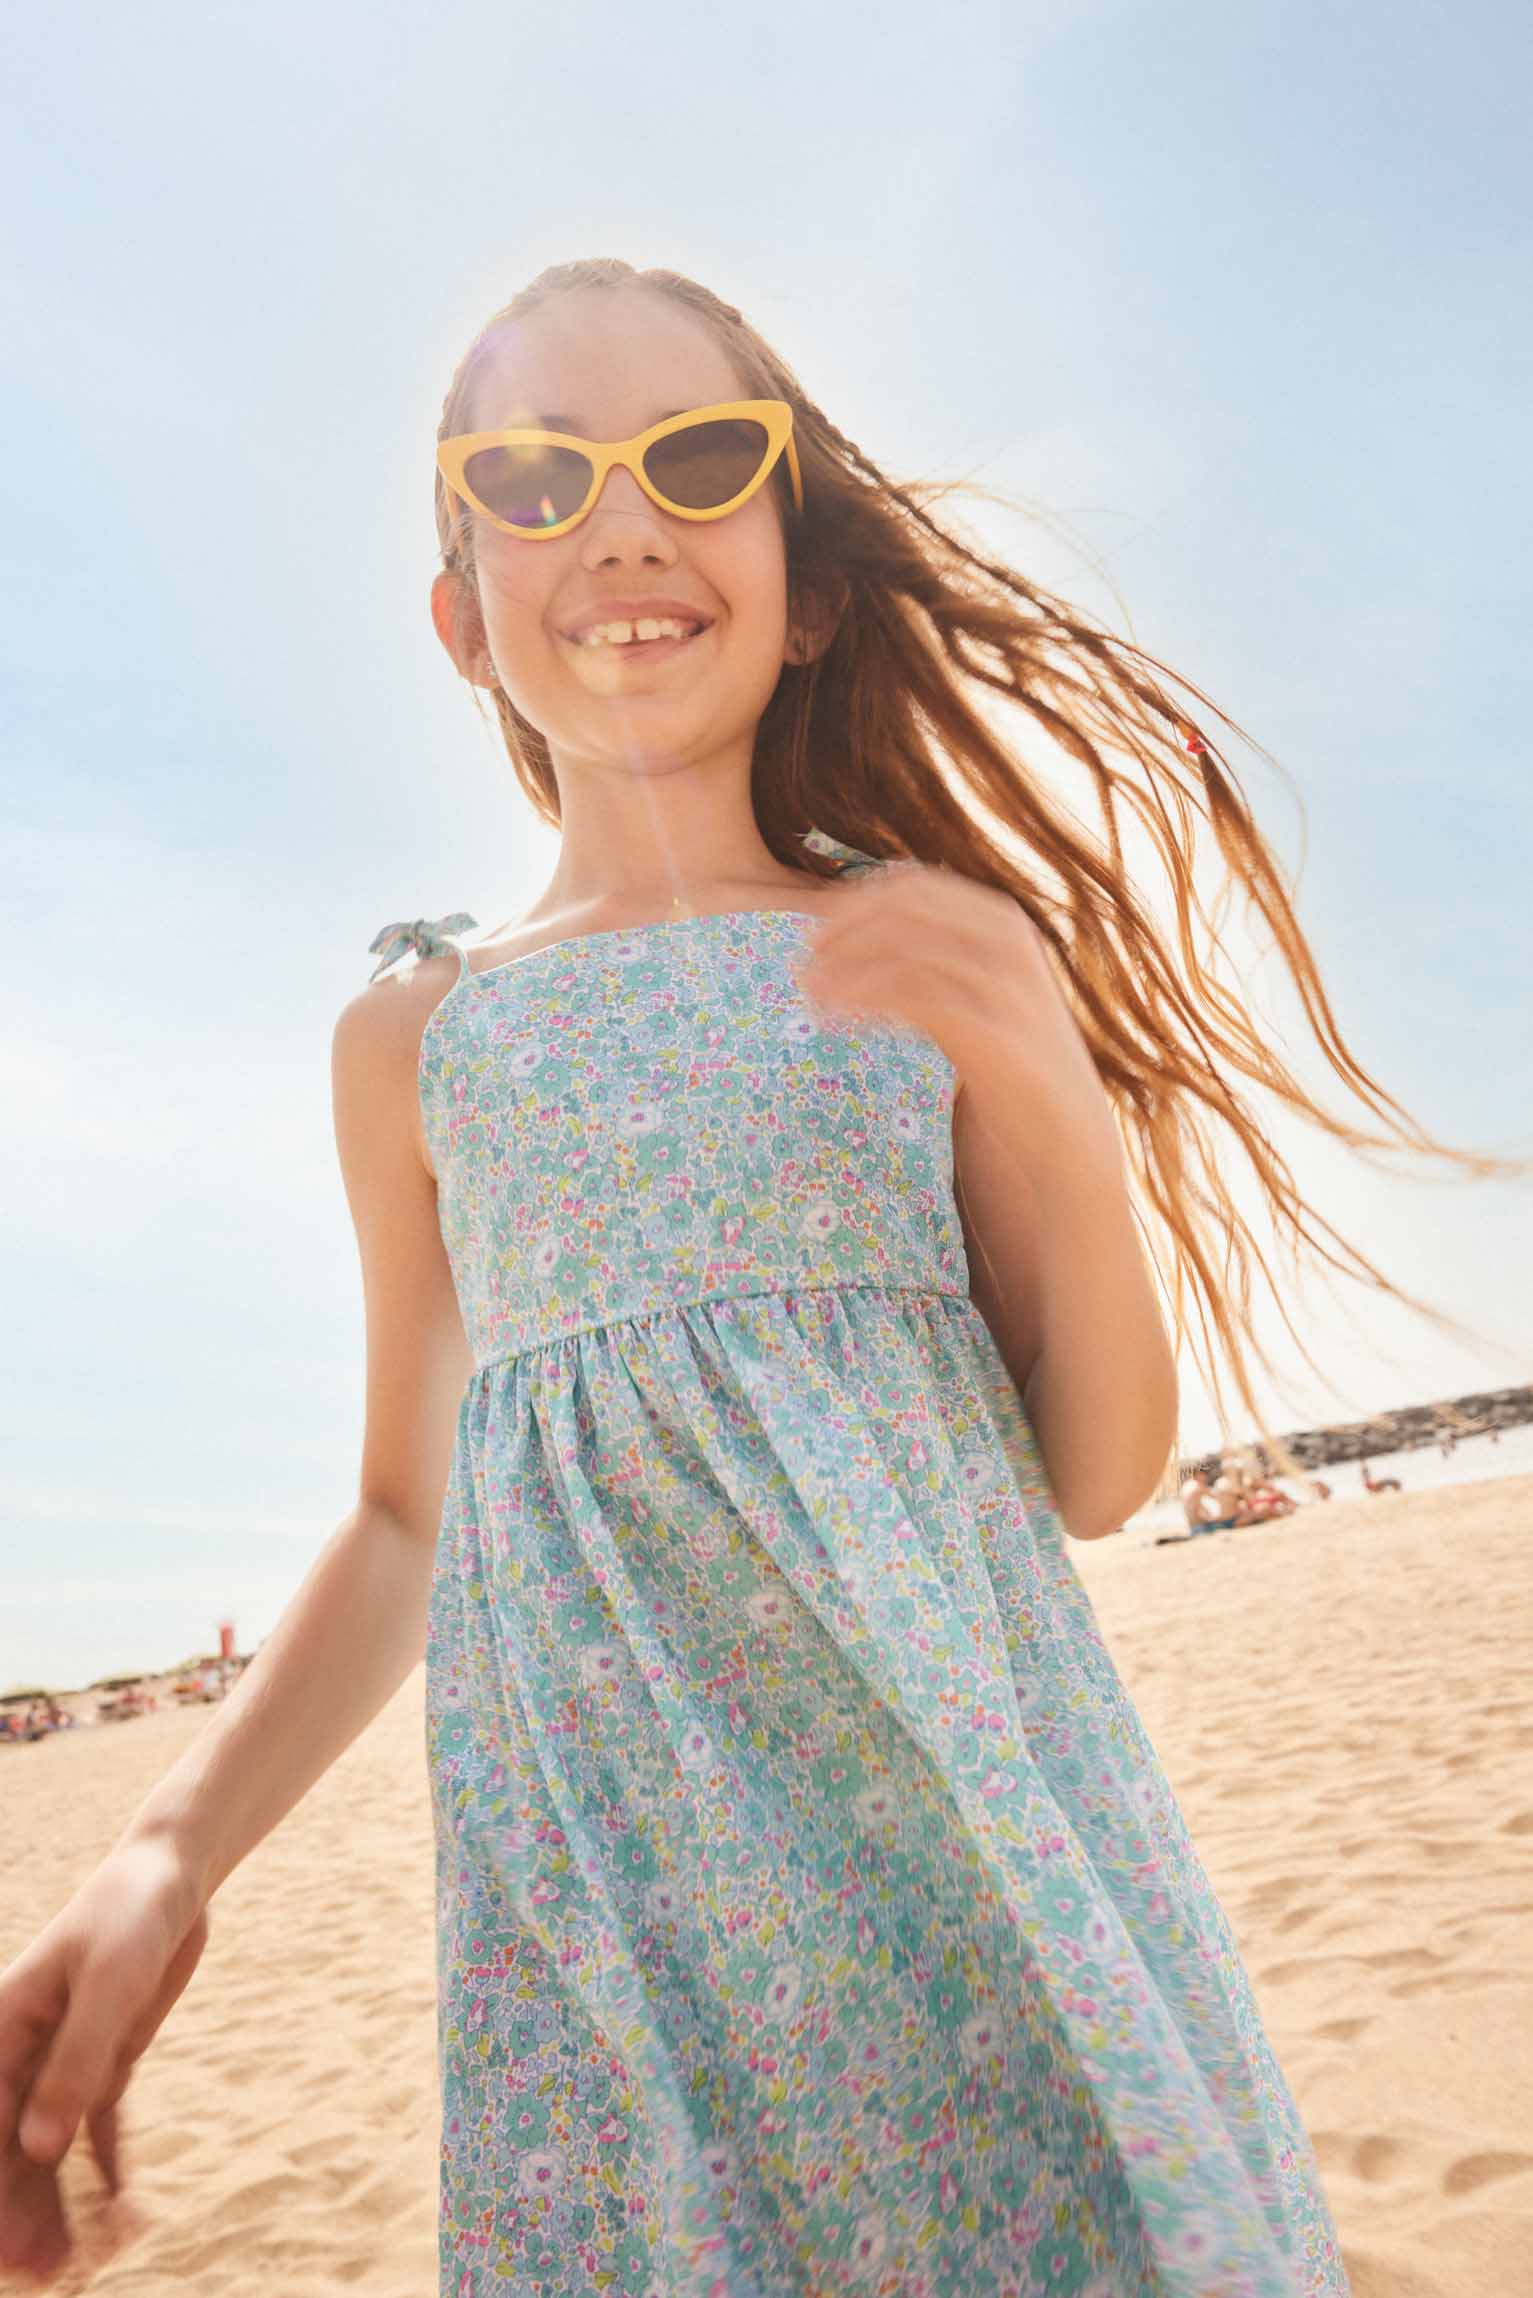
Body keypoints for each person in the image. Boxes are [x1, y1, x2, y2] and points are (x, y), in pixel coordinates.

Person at [23, 257, 1522, 2298]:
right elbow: (402, 1507)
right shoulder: (420, 1036)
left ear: (804, 585)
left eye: (696, 459)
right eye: (533, 475)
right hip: (628, 1923)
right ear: (459, 614)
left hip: (980, 1856)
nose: (619, 519)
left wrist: (1052, 1102)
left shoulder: (931, 944)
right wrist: (163, 1847)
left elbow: (1089, 1466)